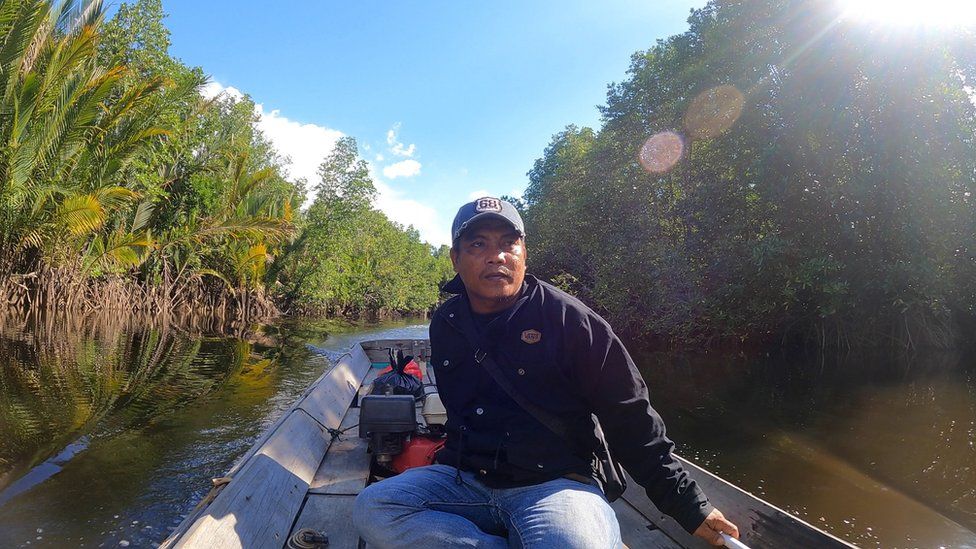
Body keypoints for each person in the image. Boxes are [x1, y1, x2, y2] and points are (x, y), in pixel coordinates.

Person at [354, 197, 740, 548]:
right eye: (478, 244)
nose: (497, 256)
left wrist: (691, 507)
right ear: (455, 259)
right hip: (466, 480)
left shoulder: (572, 321)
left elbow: (633, 423)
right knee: (375, 507)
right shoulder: (447, 322)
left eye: (509, 242)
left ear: (524, 254)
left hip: (555, 486)